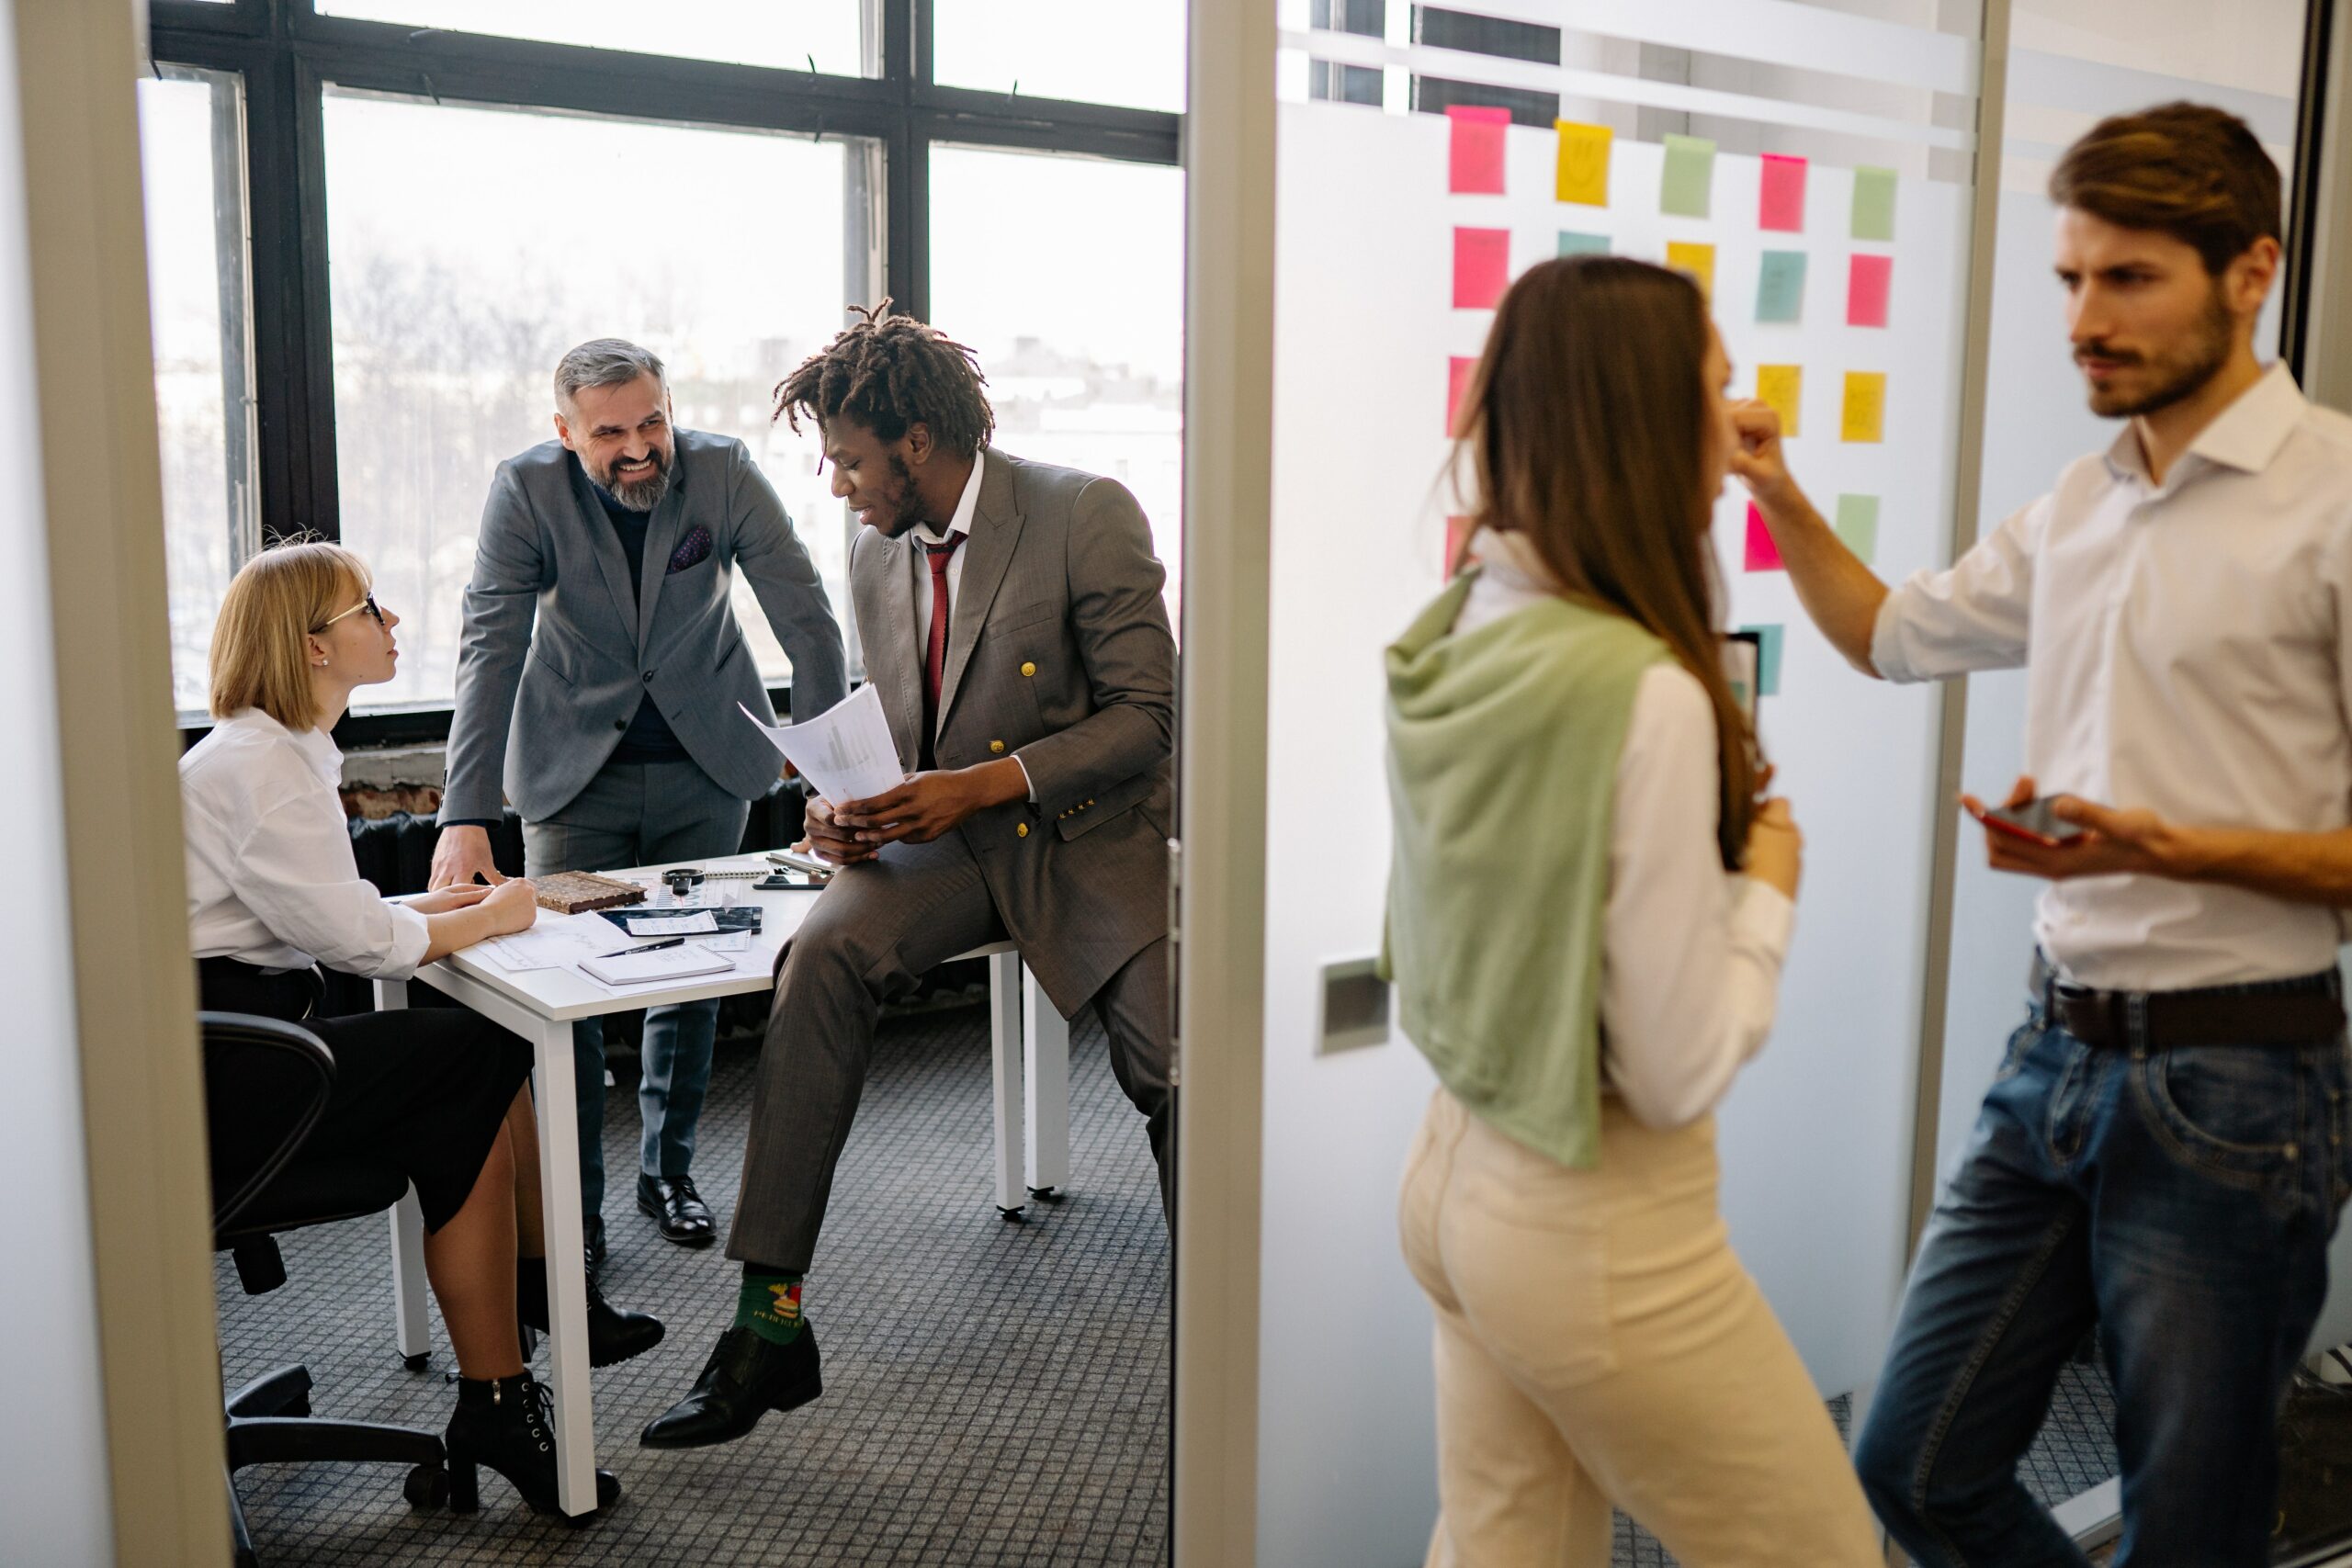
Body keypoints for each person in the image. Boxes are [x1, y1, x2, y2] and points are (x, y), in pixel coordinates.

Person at [1739, 103, 2352, 1563]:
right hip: (2052, 1060)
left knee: (2185, 1531)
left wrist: (2156, 847)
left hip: (2241, 1081)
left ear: (2251, 271)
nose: (2086, 318)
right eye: (2072, 279)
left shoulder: (2333, 499)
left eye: (2129, 279)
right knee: (1913, 1461)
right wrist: (1771, 484)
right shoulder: (2083, 502)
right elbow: (1886, 633)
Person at [1378, 255, 1882, 1566]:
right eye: (1716, 389)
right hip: (1596, 1220)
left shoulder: (1464, 616)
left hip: (1452, 1176)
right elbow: (1672, 1067)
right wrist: (1765, 893)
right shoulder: (1642, 690)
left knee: (1504, 1548)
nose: (1741, 419)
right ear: (1645, 417)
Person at [639, 304, 1176, 1450]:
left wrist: (975, 787)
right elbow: (895, 726)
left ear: (918, 444)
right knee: (821, 957)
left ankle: (1230, 1315)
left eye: (846, 459)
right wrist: (844, 811)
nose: (837, 484)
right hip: (947, 844)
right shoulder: (875, 549)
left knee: (1171, 1064)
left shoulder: (1083, 513)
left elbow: (1148, 719)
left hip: (1086, 835)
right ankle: (767, 1325)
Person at [187, 541, 665, 1518]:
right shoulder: (267, 768)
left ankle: (514, 1368)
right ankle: (528, 1335)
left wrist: (463, 913)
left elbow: (340, 916)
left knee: (469, 1074)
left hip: (233, 1041)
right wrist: (489, 916)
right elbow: (364, 943)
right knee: (477, 1053)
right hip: (226, 1073)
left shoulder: (267, 753)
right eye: (368, 609)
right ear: (313, 648)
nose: (391, 623)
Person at [432, 338, 849, 1272]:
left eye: (651, 421)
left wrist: (831, 774)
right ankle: (573, 1203)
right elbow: (490, 646)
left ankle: (668, 1174)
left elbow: (808, 617)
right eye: (610, 431)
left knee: (692, 978)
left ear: (670, 407)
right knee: (567, 991)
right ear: (564, 430)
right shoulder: (526, 492)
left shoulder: (725, 473)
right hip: (576, 773)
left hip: (709, 761)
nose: (638, 447)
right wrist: (465, 813)